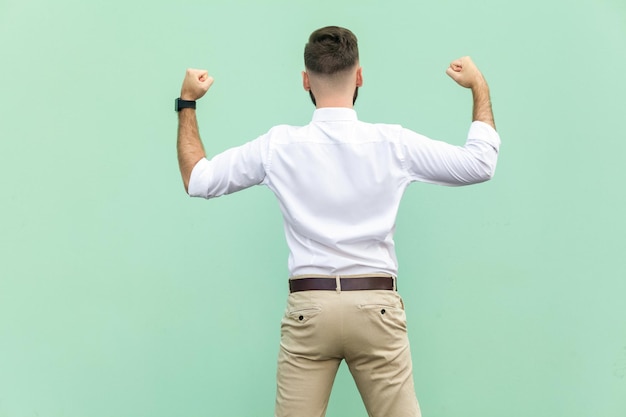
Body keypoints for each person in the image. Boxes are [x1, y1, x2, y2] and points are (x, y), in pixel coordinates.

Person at [176, 26, 499, 417]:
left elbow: (198, 179)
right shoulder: (393, 143)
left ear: (305, 81)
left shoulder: (277, 146)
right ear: (359, 76)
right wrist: (478, 86)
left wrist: (187, 102)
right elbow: (481, 163)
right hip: (376, 305)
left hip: (309, 308)